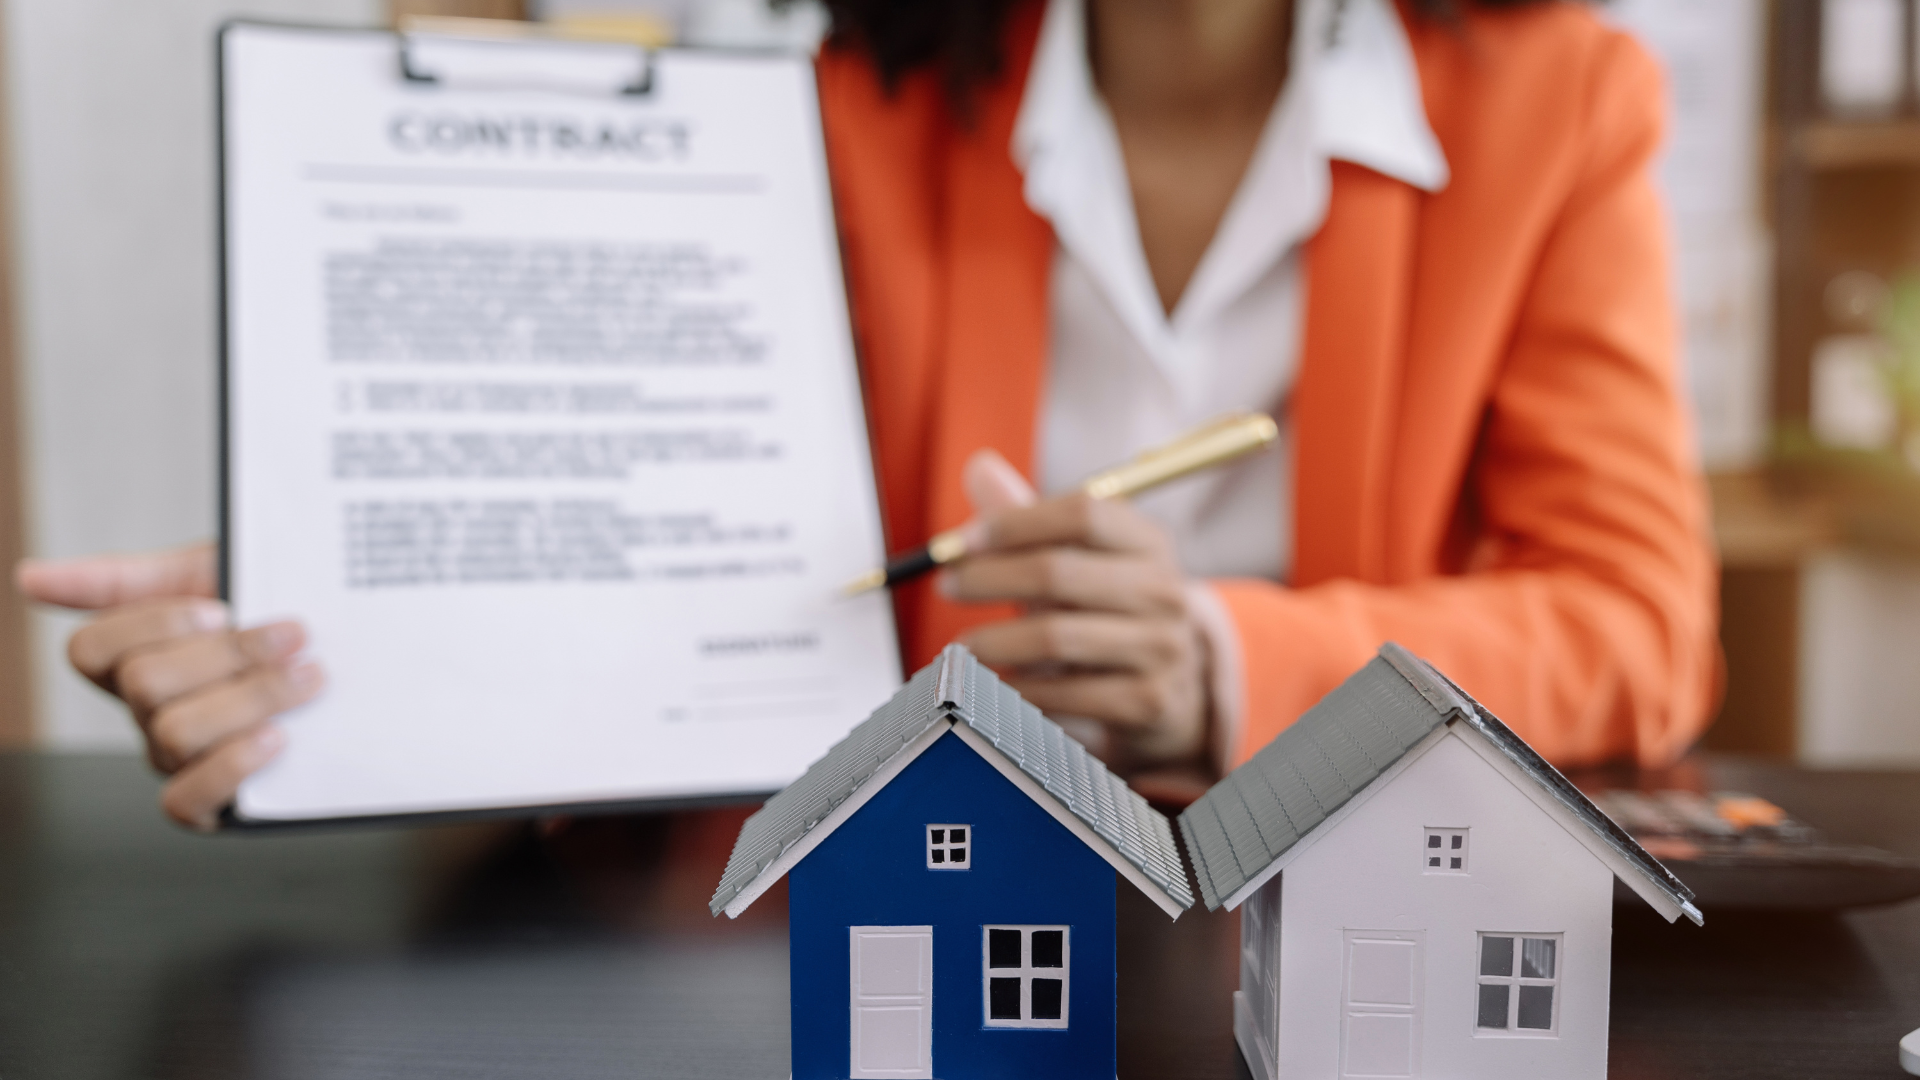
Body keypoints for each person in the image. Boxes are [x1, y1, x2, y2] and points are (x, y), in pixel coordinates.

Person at [17, 0, 1718, 829]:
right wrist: (364, 608)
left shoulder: (1558, 95)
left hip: (1331, 909)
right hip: (875, 898)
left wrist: (1222, 660)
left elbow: (1638, 626)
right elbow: (657, 525)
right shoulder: (836, 105)